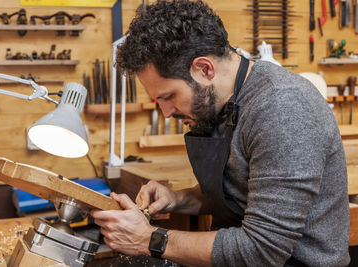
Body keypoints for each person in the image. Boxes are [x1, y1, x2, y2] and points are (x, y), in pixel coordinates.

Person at [90, 0, 350, 266]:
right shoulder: (220, 102)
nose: (166, 112)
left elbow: (262, 251)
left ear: (204, 69)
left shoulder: (283, 107)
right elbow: (238, 195)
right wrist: (178, 199)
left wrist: (148, 239)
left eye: (169, 97)